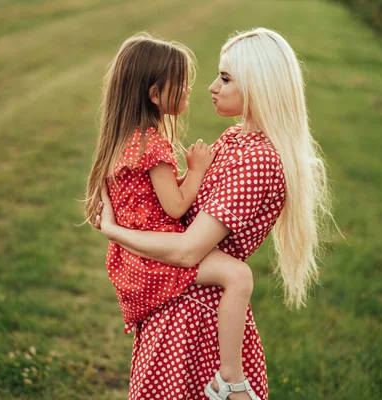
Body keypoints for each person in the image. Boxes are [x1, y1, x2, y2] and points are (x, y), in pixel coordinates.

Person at [94, 27, 336, 400]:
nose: (211, 87)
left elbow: (189, 249)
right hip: (178, 304)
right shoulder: (234, 138)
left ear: (259, 85)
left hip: (197, 321)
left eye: (225, 78)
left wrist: (115, 231)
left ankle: (230, 377)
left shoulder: (259, 160)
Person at [84, 33, 262, 400]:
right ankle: (230, 377)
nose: (192, 90)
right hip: (157, 258)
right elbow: (176, 207)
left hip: (132, 261)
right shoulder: (154, 145)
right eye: (181, 85)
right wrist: (196, 170)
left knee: (234, 275)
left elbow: (150, 197)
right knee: (238, 275)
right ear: (154, 95)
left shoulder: (126, 139)